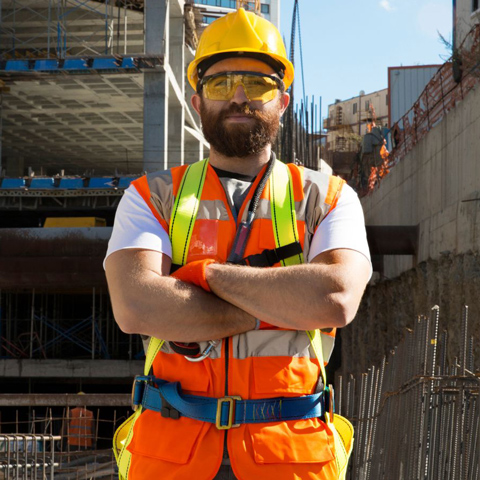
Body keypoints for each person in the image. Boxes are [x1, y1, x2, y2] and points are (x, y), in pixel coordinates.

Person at [105, 8, 371, 480]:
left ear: (284, 100)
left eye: (259, 84)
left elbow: (334, 298)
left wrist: (202, 278)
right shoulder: (151, 196)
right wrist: (285, 303)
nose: (240, 97)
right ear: (195, 99)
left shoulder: (327, 197)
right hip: (171, 458)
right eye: (221, 84)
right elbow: (135, 306)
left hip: (288, 458)